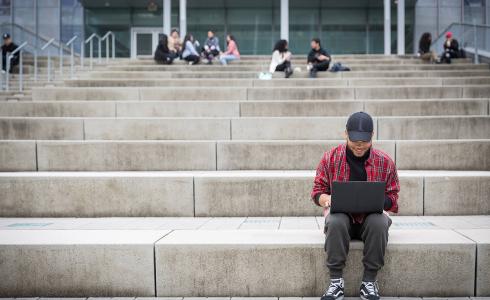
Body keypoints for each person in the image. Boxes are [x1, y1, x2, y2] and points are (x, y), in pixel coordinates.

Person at [311, 111, 400, 300]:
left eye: (364, 142)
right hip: (342, 220)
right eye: (355, 141)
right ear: (345, 134)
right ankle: (336, 282)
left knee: (379, 222)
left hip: (370, 221)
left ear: (372, 136)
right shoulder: (330, 158)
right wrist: (328, 199)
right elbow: (317, 192)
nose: (359, 146)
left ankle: (369, 281)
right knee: (335, 221)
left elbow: (393, 199)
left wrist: (378, 200)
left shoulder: (385, 162)